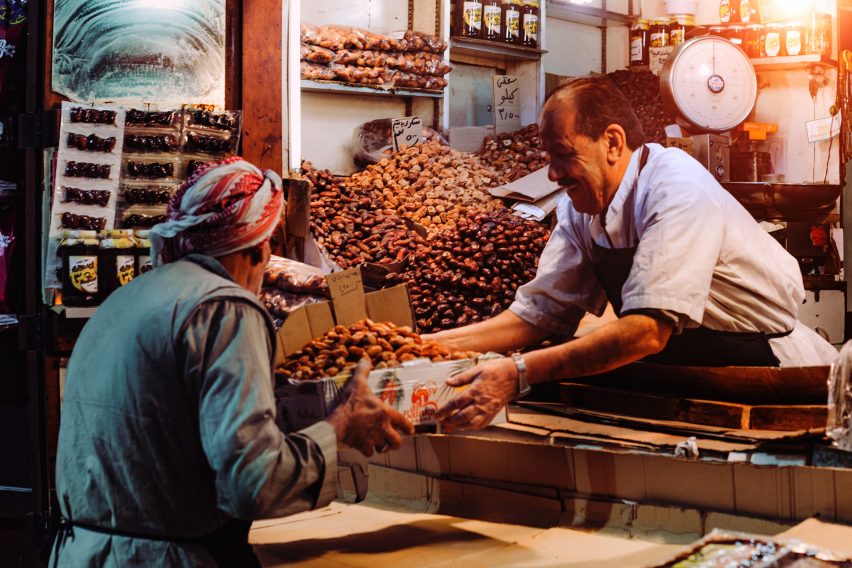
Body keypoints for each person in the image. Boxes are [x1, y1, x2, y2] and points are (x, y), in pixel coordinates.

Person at [50, 158, 413, 566]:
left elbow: (172, 423)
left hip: (83, 553)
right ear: (259, 249)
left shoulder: (126, 298)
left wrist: (304, 407)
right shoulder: (225, 307)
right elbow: (253, 483)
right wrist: (339, 425)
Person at [431, 75, 837, 432]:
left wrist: (519, 371)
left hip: (761, 369)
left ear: (612, 142)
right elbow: (537, 315)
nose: (552, 174)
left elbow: (646, 331)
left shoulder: (674, 187)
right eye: (548, 158)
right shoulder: (579, 208)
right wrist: (427, 347)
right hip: (677, 371)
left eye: (564, 154)